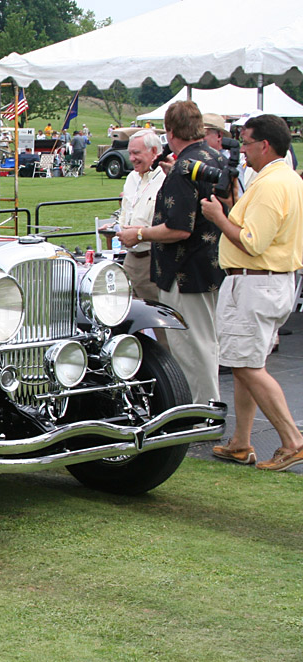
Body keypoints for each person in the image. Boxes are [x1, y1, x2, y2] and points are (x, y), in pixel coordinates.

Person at [200, 115, 303, 471]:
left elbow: (251, 241)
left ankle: (292, 440)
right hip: (266, 281)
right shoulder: (283, 179)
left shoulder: (273, 184)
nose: (240, 151)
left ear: (265, 145)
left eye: (245, 143)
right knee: (245, 362)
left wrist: (217, 216)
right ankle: (241, 442)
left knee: (246, 365)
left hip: (256, 281)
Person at [117, 100, 224, 405]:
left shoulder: (183, 170)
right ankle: (205, 405)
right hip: (210, 264)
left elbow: (178, 228)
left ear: (170, 131)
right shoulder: (213, 157)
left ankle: (199, 410)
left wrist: (138, 233)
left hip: (184, 269)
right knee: (205, 340)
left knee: (190, 346)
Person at [111, 130, 166, 316]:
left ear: (154, 152)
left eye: (137, 153)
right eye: (130, 153)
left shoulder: (165, 179)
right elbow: (126, 212)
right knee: (125, 318)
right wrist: (116, 229)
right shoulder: (131, 178)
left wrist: (140, 233)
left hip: (154, 260)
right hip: (130, 259)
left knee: (159, 322)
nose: (131, 158)